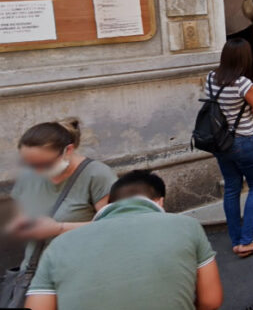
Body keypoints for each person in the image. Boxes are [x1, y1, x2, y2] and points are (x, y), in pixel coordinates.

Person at [24, 170, 222, 310]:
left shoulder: (58, 246)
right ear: (160, 201)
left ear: (111, 202)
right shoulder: (187, 226)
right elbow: (210, 302)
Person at [7, 122, 118, 277]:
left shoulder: (97, 175)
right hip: (34, 274)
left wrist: (59, 228)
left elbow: (115, 225)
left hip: (78, 276)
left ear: (68, 150)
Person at [207, 38, 253, 257]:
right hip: (244, 140)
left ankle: (236, 239)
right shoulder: (243, 83)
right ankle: (246, 241)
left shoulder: (210, 78)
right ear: (244, 59)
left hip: (221, 141)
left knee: (232, 188)